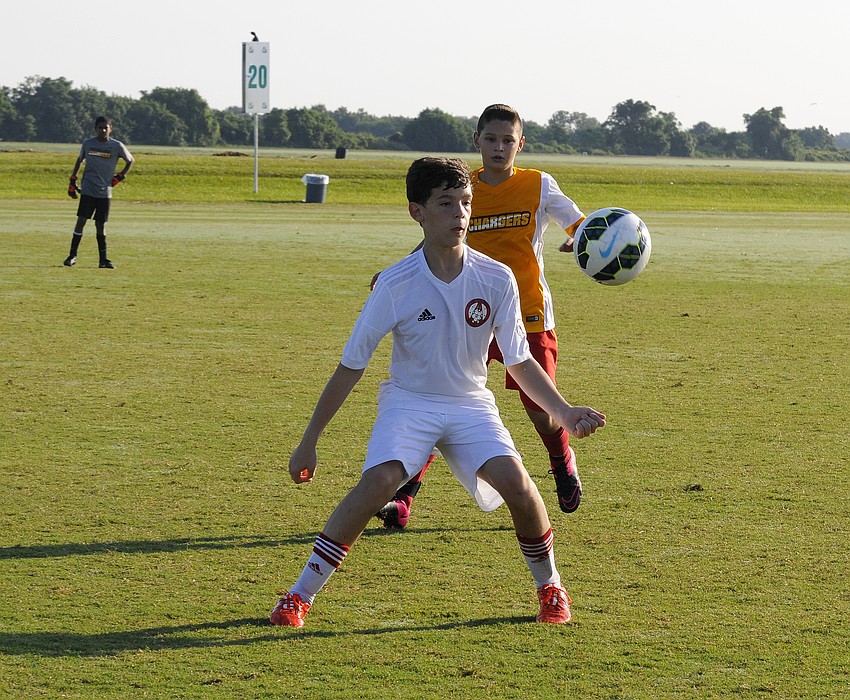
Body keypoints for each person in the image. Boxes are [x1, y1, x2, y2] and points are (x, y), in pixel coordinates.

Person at [270, 157, 606, 628]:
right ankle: (298, 595)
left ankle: (550, 585)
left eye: (466, 203)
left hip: (470, 404)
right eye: (446, 203)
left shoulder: (497, 278)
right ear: (417, 212)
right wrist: (310, 440)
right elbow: (350, 367)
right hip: (409, 402)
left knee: (518, 485)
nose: (460, 214)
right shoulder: (394, 284)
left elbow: (519, 361)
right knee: (380, 483)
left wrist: (565, 412)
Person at [376, 104, 586, 529]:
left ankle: (561, 458)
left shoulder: (539, 186)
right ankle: (403, 500)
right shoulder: (463, 187)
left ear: (520, 144)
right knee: (440, 396)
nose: (499, 147)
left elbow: (579, 224)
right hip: (465, 310)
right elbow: (439, 239)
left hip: (525, 313)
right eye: (490, 139)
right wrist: (397, 271)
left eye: (508, 140)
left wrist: (582, 241)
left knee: (540, 411)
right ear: (477, 141)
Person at [64, 116, 134, 269]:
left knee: (100, 225)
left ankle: (103, 260)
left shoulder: (116, 146)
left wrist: (120, 177)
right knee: (81, 221)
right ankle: (72, 255)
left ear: (110, 129)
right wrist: (72, 180)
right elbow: (79, 160)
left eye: (105, 127)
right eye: (100, 127)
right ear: (95, 129)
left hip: (104, 192)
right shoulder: (89, 144)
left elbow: (130, 161)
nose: (103, 130)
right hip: (88, 189)